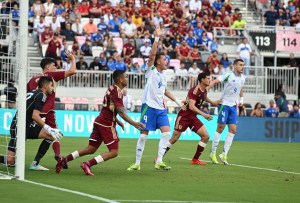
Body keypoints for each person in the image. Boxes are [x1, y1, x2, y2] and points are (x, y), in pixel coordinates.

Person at [55, 70, 145, 176]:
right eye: (125, 77)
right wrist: (134, 123)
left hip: (99, 121)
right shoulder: (117, 92)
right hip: (106, 124)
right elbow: (121, 111)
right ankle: (88, 164)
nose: (127, 78)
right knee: (114, 152)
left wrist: (117, 121)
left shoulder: (111, 88)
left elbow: (109, 108)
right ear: (120, 79)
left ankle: (64, 160)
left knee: (91, 148)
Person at [127, 25, 181, 171]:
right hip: (148, 107)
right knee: (144, 136)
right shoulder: (150, 71)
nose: (166, 61)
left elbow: (164, 91)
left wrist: (177, 102)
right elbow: (151, 56)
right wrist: (157, 38)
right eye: (164, 59)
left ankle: (159, 161)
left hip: (161, 108)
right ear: (158, 62)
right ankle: (137, 163)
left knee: (166, 133)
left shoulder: (164, 76)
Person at [27, 52, 76, 171]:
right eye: (54, 65)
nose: (55, 67)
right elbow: (72, 71)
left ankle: (12, 158)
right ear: (48, 67)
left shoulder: (33, 80)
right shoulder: (50, 75)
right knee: (54, 134)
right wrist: (73, 59)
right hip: (47, 111)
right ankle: (49, 158)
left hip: (33, 112)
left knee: (24, 135)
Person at [160, 72, 221, 166]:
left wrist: (213, 102)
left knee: (206, 136)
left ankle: (195, 159)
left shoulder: (204, 90)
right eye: (208, 78)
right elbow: (192, 107)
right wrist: (204, 114)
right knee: (175, 137)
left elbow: (204, 97)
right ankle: (159, 157)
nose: (210, 80)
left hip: (193, 117)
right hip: (184, 116)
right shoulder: (194, 91)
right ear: (202, 80)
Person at [0, 77, 63, 166]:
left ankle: (35, 164)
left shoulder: (33, 93)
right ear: (45, 86)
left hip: (26, 125)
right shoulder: (41, 95)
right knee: (10, 160)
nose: (52, 88)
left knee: (50, 136)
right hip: (19, 127)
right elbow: (35, 116)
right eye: (51, 85)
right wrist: (49, 128)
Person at [208, 59, 246, 165]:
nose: (242, 67)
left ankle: (224, 154)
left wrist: (241, 100)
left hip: (233, 105)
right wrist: (206, 89)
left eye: (243, 65)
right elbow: (215, 82)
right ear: (234, 66)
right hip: (224, 104)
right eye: (240, 65)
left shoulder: (243, 78)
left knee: (233, 130)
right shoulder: (228, 75)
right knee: (221, 128)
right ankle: (213, 153)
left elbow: (241, 89)